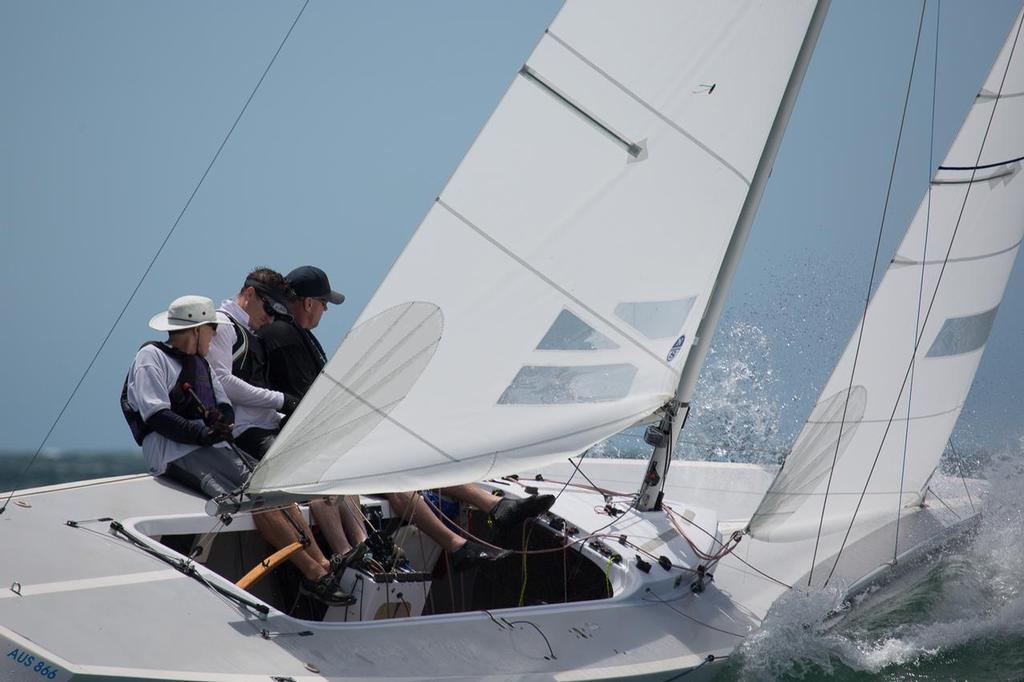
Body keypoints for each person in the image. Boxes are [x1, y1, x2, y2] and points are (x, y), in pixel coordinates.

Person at [262, 267, 553, 570]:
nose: (325, 311)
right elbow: (308, 404)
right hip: (316, 449)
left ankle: (492, 507)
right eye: (324, 303)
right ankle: (461, 542)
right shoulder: (285, 335)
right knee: (397, 475)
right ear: (309, 303)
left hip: (330, 442)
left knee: (408, 455)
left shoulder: (297, 337)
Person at [120, 295, 353, 605]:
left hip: (208, 447)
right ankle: (314, 574)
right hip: (173, 453)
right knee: (252, 495)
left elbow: (224, 404)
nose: (215, 337)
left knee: (271, 485)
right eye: (212, 331)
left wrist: (222, 422)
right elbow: (157, 415)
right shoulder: (151, 357)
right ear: (196, 330)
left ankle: (322, 563)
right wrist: (202, 433)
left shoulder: (200, 363)